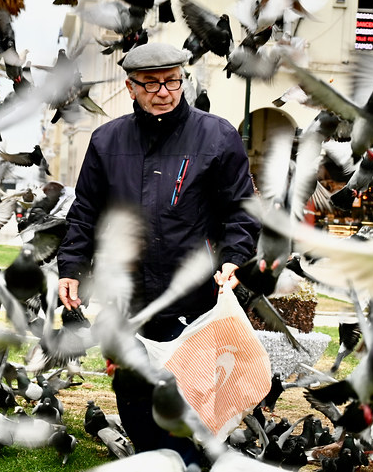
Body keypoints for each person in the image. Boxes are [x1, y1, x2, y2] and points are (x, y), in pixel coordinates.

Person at [55, 41, 260, 462]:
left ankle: (187, 458)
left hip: (195, 291)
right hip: (128, 294)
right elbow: (86, 212)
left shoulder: (217, 135)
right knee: (133, 394)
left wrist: (233, 258)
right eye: (150, 84)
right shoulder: (107, 140)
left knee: (191, 389)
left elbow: (242, 209)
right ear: (131, 88)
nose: (163, 91)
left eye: (171, 81)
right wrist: (72, 265)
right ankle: (163, 459)